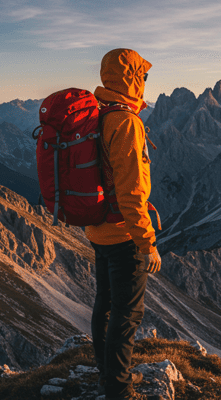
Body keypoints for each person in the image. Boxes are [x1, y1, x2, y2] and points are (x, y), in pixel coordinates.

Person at [87, 48, 162, 400]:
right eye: (142, 76)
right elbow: (132, 193)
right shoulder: (127, 123)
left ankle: (106, 376)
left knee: (105, 304)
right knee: (127, 313)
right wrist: (147, 242)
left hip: (98, 229)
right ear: (131, 78)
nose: (146, 82)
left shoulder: (99, 114)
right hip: (123, 233)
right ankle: (119, 390)